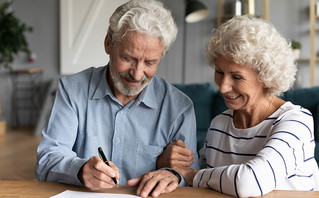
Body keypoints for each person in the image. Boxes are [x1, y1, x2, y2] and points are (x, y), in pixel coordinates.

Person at [35, 0, 199, 196]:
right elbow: (46, 160)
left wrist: (172, 173)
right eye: (128, 58)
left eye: (149, 62)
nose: (137, 74)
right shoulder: (71, 90)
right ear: (108, 44)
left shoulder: (179, 107)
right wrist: (79, 170)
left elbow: (190, 176)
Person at [153, 15, 319, 197]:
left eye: (237, 77)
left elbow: (249, 182)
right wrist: (171, 167)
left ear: (265, 77)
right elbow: (202, 181)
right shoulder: (219, 124)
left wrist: (192, 175)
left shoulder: (296, 122)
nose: (223, 87)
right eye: (219, 72)